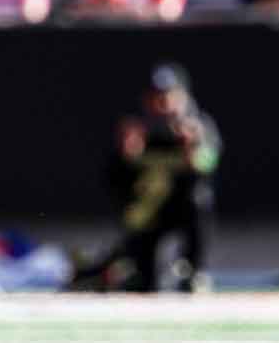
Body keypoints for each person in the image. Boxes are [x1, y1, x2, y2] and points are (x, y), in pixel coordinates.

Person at [71, 63, 220, 292]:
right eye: (157, 97)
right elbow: (114, 181)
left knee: (200, 200)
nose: (163, 105)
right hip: (147, 217)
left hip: (181, 211)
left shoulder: (197, 127)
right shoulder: (137, 130)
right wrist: (126, 157)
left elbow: (208, 164)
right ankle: (114, 269)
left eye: (169, 97)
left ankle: (192, 269)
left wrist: (194, 151)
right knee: (144, 282)